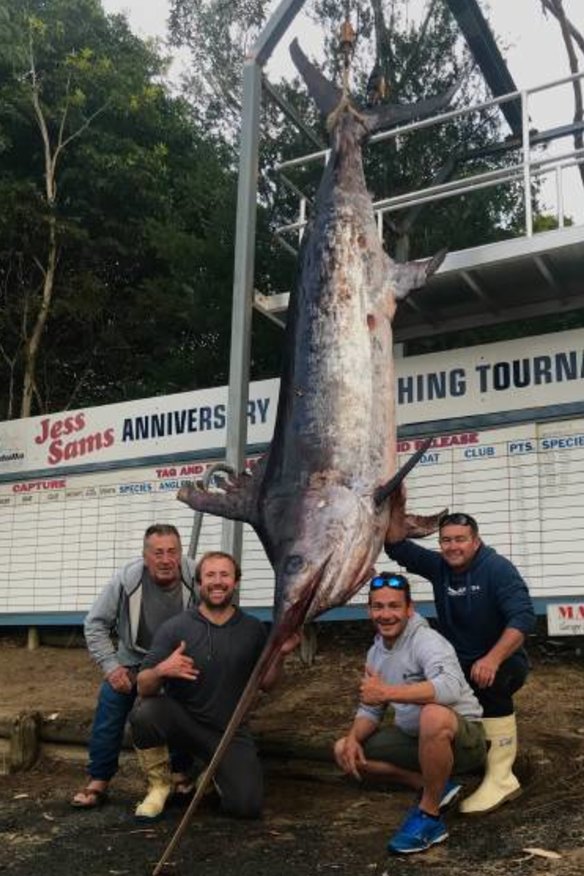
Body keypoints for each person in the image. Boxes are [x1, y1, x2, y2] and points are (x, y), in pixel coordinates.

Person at [385, 497, 536, 814]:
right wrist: (396, 503)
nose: (453, 547)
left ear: (476, 541)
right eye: (446, 540)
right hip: (459, 661)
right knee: (439, 690)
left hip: (500, 660)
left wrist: (492, 658)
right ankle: (463, 757)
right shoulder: (441, 566)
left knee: (494, 678)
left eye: (460, 540)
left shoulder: (497, 569)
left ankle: (502, 776)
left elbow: (523, 619)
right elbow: (396, 545)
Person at [129, 550, 298, 821]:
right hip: (185, 724)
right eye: (210, 575)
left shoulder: (253, 629)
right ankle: (160, 786)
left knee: (246, 807)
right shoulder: (175, 628)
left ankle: (211, 772)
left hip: (229, 732)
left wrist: (280, 654)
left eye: (224, 575)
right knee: (145, 712)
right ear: (198, 583)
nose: (217, 581)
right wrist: (162, 669)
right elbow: (143, 686)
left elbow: (267, 684)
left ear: (236, 581)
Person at [334, 571, 486, 855]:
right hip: (414, 740)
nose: (386, 614)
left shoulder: (427, 641)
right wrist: (354, 737)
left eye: (394, 606)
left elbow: (451, 688)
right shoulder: (376, 652)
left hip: (463, 739)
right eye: (378, 607)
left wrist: (387, 692)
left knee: (433, 715)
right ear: (369, 610)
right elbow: (370, 708)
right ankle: (436, 786)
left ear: (409, 609)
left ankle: (429, 818)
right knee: (344, 749)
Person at [70, 523, 196, 809]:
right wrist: (112, 666)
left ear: (180, 553)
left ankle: (179, 773)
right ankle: (98, 780)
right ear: (145, 555)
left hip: (176, 661)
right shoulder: (126, 579)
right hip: (132, 662)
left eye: (172, 552)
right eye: (158, 553)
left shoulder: (196, 575)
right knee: (110, 705)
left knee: (181, 704)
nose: (166, 560)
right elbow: (95, 623)